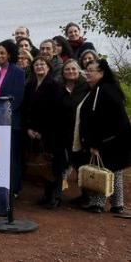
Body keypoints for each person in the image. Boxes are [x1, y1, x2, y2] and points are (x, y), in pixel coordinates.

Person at [79, 59, 131, 214]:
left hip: (109, 141)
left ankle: (99, 203)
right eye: (86, 70)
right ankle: (117, 204)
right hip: (115, 139)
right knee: (115, 171)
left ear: (101, 73)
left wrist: (95, 144)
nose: (87, 73)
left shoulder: (104, 90)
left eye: (91, 70)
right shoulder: (104, 89)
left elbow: (101, 120)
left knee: (103, 169)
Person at [23, 57, 66, 208]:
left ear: (48, 67)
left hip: (52, 132)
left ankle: (56, 196)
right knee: (43, 164)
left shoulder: (55, 86)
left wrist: (42, 131)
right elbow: (26, 109)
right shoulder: (30, 85)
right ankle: (47, 194)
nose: (39, 66)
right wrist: (28, 128)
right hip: (33, 132)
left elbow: (56, 111)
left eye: (42, 64)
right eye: (36, 64)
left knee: (55, 165)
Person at [0, 40, 26, 194]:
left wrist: (5, 114)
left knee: (12, 156)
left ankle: (14, 188)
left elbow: (18, 97)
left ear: (9, 54)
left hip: (10, 121)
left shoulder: (18, 72)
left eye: (2, 53)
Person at [60, 59, 90, 206]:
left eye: (73, 69)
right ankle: (57, 193)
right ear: (63, 72)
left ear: (79, 71)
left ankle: (87, 195)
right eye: (67, 69)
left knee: (81, 164)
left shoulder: (86, 87)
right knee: (64, 162)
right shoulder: (60, 87)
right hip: (64, 131)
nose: (70, 72)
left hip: (80, 132)